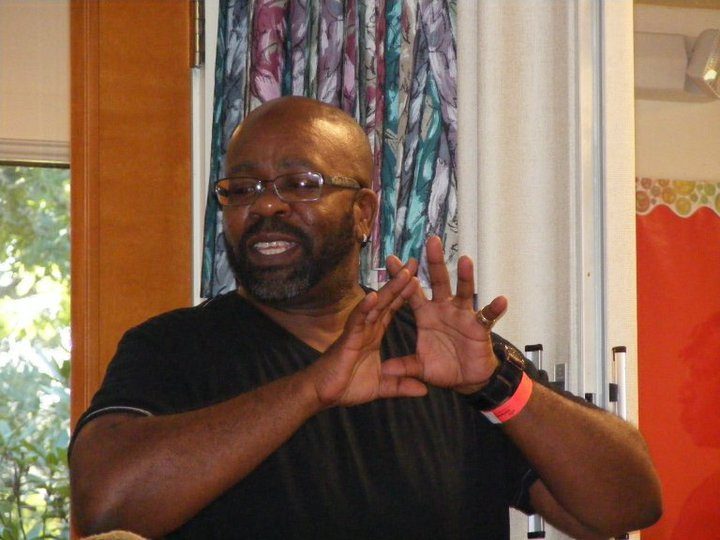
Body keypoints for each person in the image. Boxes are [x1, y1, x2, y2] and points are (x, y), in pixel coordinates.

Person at [70, 96, 662, 539]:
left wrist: (498, 385)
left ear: (362, 213)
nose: (266, 205)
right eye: (243, 188)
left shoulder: (444, 355)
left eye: (299, 184)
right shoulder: (172, 348)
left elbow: (625, 507)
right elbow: (106, 504)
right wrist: (310, 389)